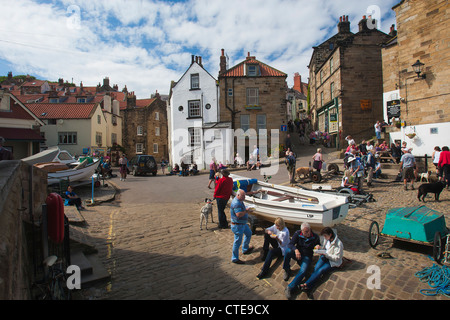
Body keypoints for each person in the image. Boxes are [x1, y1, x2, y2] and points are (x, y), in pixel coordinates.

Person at [299, 227, 344, 291]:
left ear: (330, 234)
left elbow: (337, 258)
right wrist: (320, 248)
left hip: (332, 261)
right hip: (325, 256)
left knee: (321, 270)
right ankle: (310, 285)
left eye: (325, 236)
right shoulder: (327, 239)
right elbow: (324, 248)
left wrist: (326, 255)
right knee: (316, 268)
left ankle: (306, 284)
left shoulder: (339, 244)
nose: (324, 237)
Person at [283, 222, 320, 299]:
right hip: (298, 254)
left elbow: (319, 245)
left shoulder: (315, 236)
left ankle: (290, 287)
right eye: (306, 232)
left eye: (309, 231)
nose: (308, 233)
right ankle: (287, 269)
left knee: (303, 270)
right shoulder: (297, 234)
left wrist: (318, 246)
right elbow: (290, 244)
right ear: (302, 231)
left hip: (307, 256)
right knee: (288, 251)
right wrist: (296, 250)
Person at [230, 189, 254, 264]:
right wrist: (247, 211)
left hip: (242, 224)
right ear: (238, 195)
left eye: (244, 196)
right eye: (243, 196)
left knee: (249, 233)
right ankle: (235, 258)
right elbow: (239, 214)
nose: (244, 197)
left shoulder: (239, 200)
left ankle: (245, 249)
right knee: (237, 242)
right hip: (238, 226)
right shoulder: (236, 203)